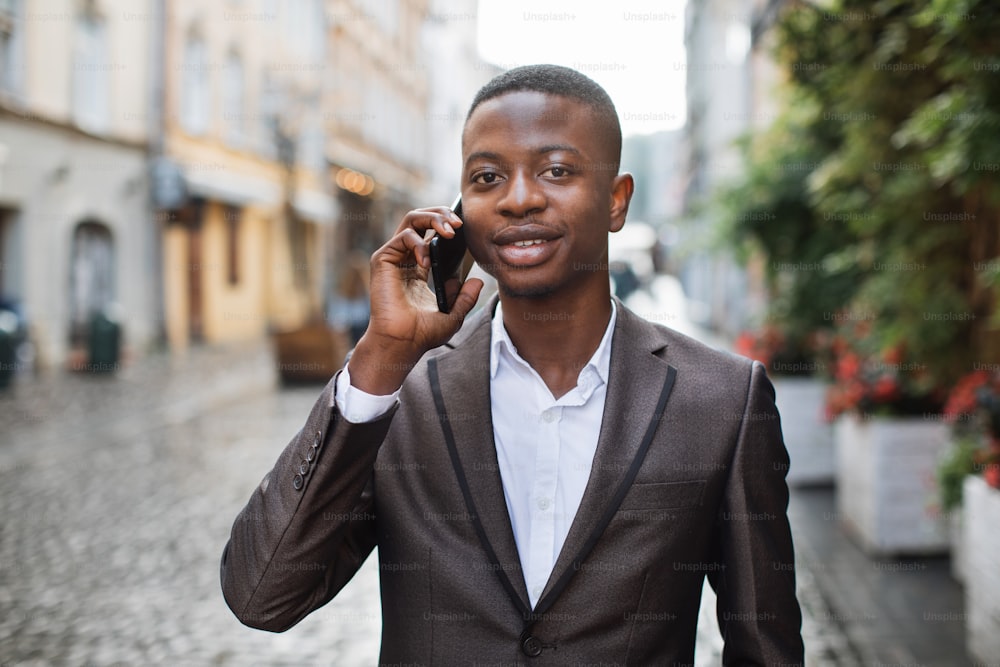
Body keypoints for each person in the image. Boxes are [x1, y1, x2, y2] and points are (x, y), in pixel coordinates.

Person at [221, 64, 804, 664]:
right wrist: (381, 356)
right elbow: (263, 595)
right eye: (487, 176)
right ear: (458, 211)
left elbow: (766, 648)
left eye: (556, 170)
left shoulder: (721, 401)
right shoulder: (401, 395)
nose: (519, 197)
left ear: (615, 199)